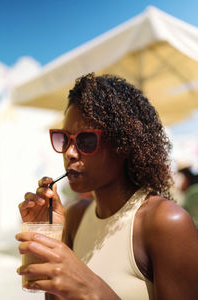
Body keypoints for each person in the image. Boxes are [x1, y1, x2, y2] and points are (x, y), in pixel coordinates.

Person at [16, 73, 198, 300]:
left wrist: (90, 289)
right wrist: (48, 239)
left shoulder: (165, 223)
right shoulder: (76, 216)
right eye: (64, 139)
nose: (70, 153)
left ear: (123, 145)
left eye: (86, 140)